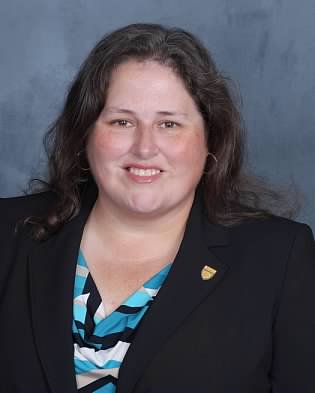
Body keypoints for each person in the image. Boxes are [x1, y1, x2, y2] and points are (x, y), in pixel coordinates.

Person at [0, 23, 314, 393]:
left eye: (169, 124)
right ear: (84, 135)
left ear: (211, 140)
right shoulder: (9, 233)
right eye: (122, 121)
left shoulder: (279, 256)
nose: (145, 147)